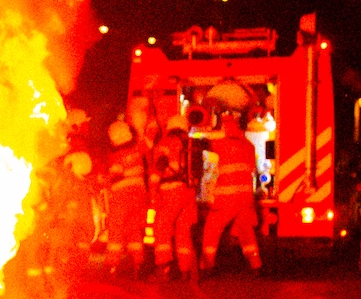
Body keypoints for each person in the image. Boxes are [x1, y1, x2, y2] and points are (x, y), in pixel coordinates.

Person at [200, 113, 262, 274]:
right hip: (246, 198)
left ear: (228, 128)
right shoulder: (249, 146)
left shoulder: (222, 144)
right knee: (246, 231)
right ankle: (256, 265)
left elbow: (204, 145)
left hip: (227, 198)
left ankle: (208, 265)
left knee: (212, 229)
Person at [150, 115, 197, 280]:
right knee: (183, 231)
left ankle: (163, 268)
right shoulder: (189, 144)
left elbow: (157, 170)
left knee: (162, 227)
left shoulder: (164, 144)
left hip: (171, 190)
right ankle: (185, 270)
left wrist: (154, 192)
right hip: (189, 192)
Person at [104, 120, 149, 278]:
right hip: (139, 194)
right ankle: (138, 263)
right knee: (134, 229)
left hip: (121, 195)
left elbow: (115, 175)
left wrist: (104, 180)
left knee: (116, 230)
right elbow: (147, 144)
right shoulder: (137, 149)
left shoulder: (116, 156)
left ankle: (112, 266)